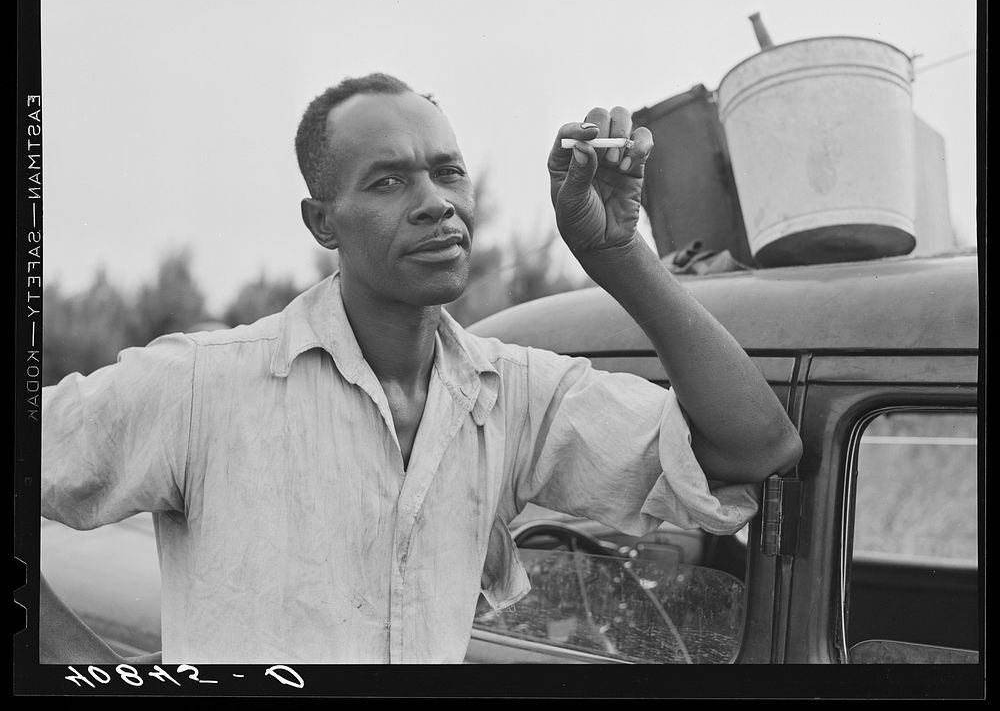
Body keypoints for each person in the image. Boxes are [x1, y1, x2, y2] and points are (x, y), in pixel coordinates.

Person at [40, 73, 802, 664]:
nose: (438, 203)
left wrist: (614, 253)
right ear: (322, 222)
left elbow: (754, 450)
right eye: (388, 180)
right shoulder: (201, 385)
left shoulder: (514, 395)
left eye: (449, 172)